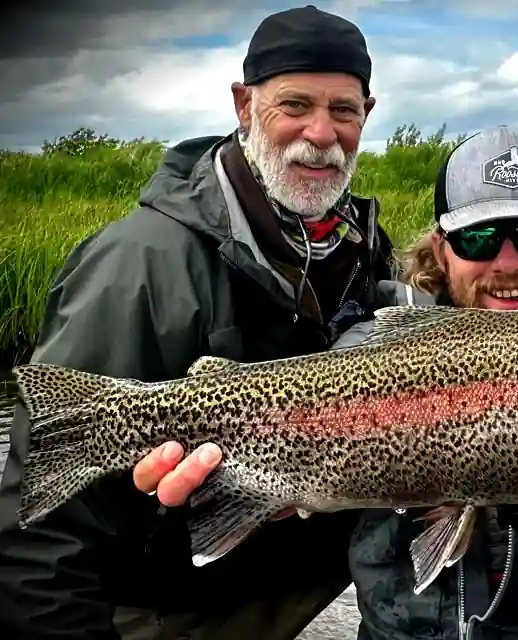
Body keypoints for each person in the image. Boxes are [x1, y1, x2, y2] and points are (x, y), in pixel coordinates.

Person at [134, 125, 518, 639]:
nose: (507, 262)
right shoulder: (372, 348)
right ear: (441, 251)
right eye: (478, 238)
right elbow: (289, 529)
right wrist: (201, 499)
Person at [0, 6, 395, 639]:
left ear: (366, 116)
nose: (322, 133)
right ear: (244, 106)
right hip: (157, 611)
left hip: (273, 593)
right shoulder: (138, 265)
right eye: (295, 105)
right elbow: (39, 536)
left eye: (343, 110)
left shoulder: (358, 249)